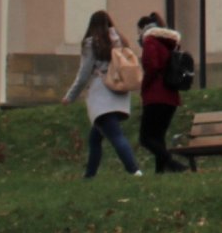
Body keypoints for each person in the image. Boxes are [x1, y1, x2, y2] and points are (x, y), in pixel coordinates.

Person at [63, 11, 143, 178]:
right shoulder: (119, 41)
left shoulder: (91, 43)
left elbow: (84, 74)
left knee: (115, 135)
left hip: (102, 94)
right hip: (119, 90)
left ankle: (134, 170)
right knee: (95, 138)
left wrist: (70, 96)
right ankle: (89, 175)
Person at [136, 12, 186, 173]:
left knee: (145, 138)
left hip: (155, 95)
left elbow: (152, 67)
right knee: (158, 137)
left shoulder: (150, 41)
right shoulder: (168, 43)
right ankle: (160, 172)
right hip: (171, 96)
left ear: (144, 28)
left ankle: (173, 164)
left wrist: (144, 87)